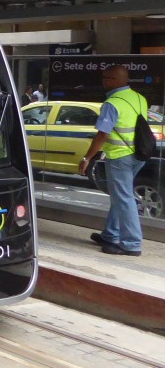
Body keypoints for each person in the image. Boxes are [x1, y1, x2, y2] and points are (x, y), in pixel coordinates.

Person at [79, 66, 146, 256]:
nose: (103, 81)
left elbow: (102, 134)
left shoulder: (112, 103)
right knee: (121, 196)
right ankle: (110, 234)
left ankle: (131, 244)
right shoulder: (139, 98)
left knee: (124, 198)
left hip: (119, 156)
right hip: (138, 155)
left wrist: (87, 157)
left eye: (104, 77)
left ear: (111, 81)